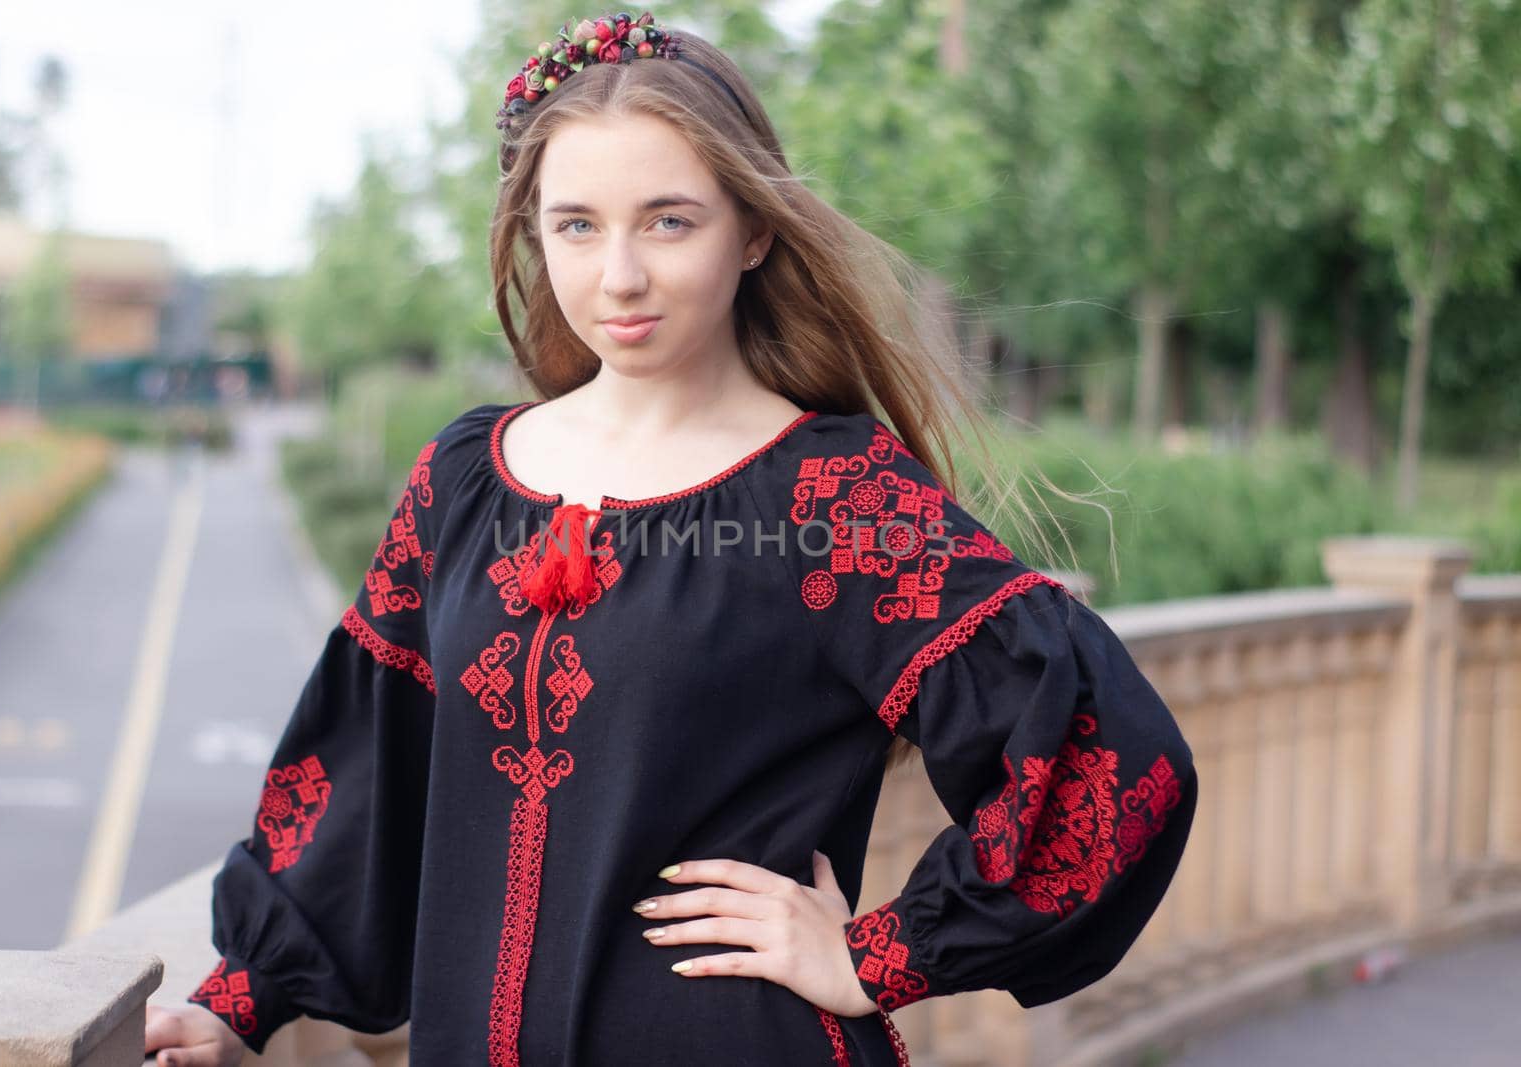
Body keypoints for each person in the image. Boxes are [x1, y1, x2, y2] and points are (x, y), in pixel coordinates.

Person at [145, 10, 1198, 1066]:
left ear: (753, 230)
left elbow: (1105, 756)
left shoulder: (831, 496)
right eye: (576, 225)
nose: (620, 277)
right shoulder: (463, 480)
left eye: (668, 221)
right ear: (533, 235)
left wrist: (875, 955)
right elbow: (366, 769)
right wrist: (239, 1001)